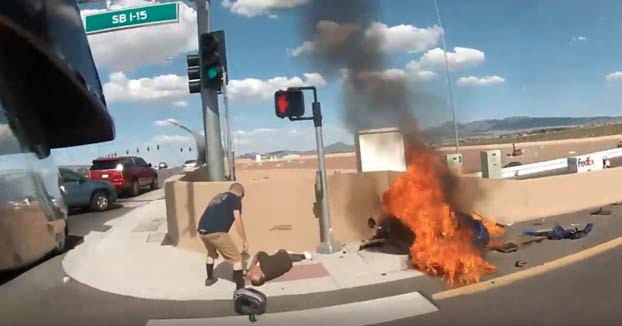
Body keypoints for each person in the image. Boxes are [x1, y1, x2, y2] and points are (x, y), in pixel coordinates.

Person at [197, 183, 248, 289]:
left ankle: (210, 278)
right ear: (240, 194)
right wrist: (244, 240)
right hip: (217, 232)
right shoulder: (235, 199)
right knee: (237, 259)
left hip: (202, 231)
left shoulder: (219, 197)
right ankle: (240, 290)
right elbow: (237, 219)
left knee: (211, 253)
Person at [246, 250, 311, 286]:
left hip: (287, 267)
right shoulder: (265, 264)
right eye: (256, 272)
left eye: (253, 272)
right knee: (284, 253)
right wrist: (251, 267)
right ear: (263, 275)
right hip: (283, 255)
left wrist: (250, 272)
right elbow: (259, 253)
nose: (254, 270)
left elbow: (255, 278)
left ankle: (303, 256)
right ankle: (303, 256)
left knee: (288, 260)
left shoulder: (265, 278)